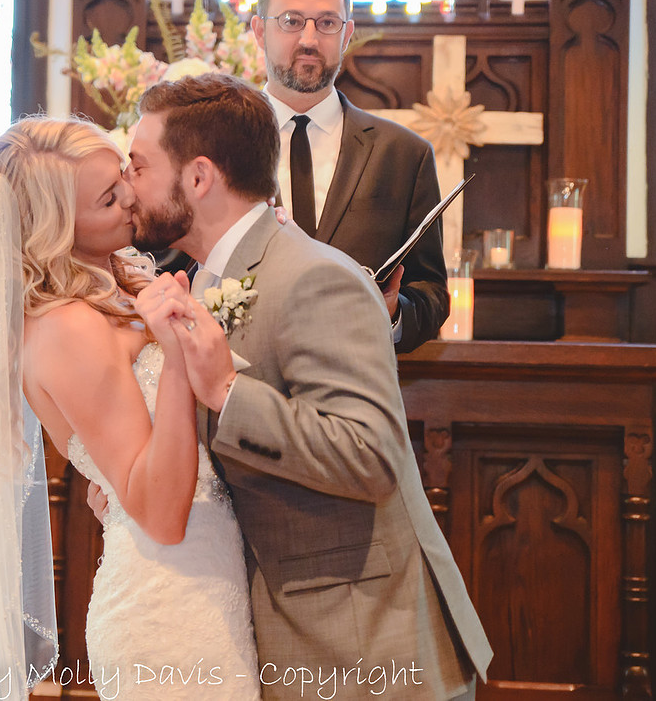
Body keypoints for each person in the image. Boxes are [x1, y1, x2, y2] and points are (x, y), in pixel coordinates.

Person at [123, 72, 492, 700]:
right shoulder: (209, 278)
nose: (126, 184)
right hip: (293, 627)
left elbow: (371, 455)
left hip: (363, 647)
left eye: (137, 166)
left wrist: (229, 392)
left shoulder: (315, 277)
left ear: (199, 177)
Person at [0, 117, 261, 700]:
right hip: (168, 608)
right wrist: (177, 360)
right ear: (59, 230)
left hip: (210, 577)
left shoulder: (119, 284)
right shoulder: (66, 329)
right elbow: (160, 514)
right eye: (108, 199)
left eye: (123, 174)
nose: (132, 196)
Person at [251, 0, 449, 353]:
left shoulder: (404, 155)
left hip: (356, 380)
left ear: (347, 34)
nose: (309, 39)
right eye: (291, 21)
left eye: (327, 22)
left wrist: (392, 311)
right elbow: (170, 269)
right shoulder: (211, 144)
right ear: (259, 30)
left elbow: (431, 294)